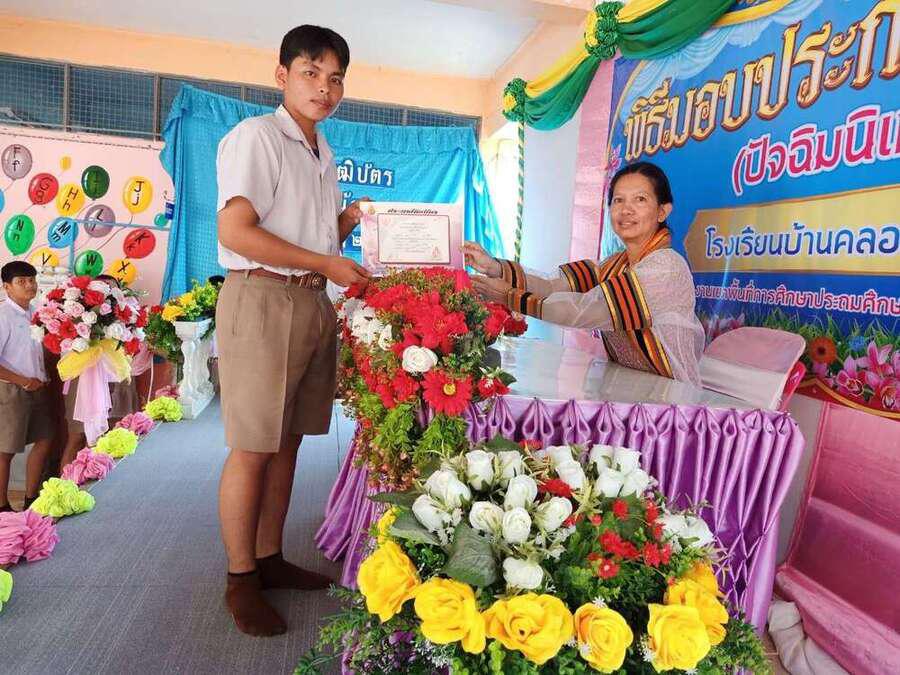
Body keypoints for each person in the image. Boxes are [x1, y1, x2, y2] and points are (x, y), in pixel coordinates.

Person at [215, 24, 370, 636]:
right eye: (311, 72)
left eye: (335, 79)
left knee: (288, 443)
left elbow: (308, 237)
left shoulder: (321, 151)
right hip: (262, 297)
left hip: (309, 301)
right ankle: (240, 578)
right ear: (282, 75)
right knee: (254, 445)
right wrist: (327, 262)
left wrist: (346, 222)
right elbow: (237, 232)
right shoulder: (258, 136)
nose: (324, 88)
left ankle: (270, 557)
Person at [466, 161, 705, 386]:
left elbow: (583, 311)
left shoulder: (666, 268)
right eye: (618, 200)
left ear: (662, 211)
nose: (626, 210)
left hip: (672, 400)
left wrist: (509, 296)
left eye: (640, 199)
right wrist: (495, 267)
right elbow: (552, 285)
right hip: (633, 390)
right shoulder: (614, 265)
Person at [59, 274, 139, 473]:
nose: (107, 294)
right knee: (76, 437)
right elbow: (66, 355)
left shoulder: (125, 320)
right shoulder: (74, 321)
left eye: (112, 290)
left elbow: (130, 352)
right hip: (82, 384)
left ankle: (102, 480)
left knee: (114, 436)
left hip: (117, 383)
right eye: (103, 289)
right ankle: (64, 484)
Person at [0, 261, 54, 512]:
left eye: (32, 280)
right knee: (5, 450)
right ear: (7, 287)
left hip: (38, 388)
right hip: (12, 391)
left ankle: (31, 499)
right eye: (21, 281)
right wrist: (23, 381)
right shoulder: (3, 316)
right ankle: (3, 507)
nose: (29, 285)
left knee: (45, 439)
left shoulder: (37, 312)